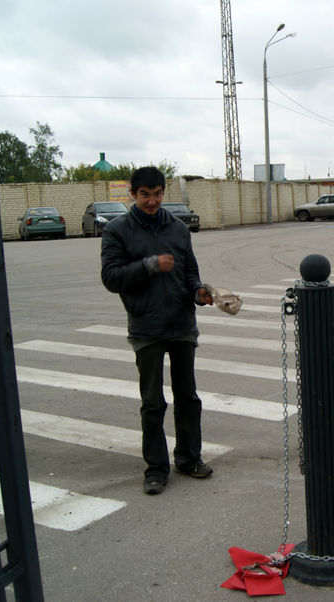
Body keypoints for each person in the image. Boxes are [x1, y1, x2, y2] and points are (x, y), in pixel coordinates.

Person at [101, 166, 215, 495]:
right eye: (145, 194)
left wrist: (199, 293)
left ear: (164, 193)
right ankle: (155, 468)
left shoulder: (178, 229)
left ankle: (189, 459)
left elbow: (190, 274)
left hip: (181, 324)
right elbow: (110, 278)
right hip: (146, 327)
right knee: (153, 402)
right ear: (133, 195)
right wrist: (150, 265)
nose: (152, 201)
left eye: (157, 193)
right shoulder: (117, 231)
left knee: (188, 398)